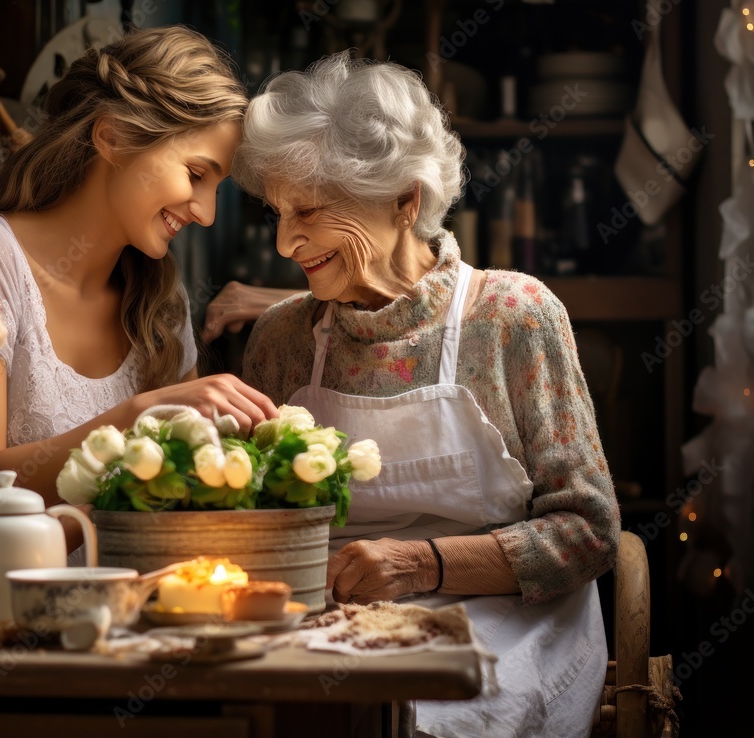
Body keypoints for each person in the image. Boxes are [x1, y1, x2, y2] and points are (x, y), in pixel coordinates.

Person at [230, 53, 620, 737]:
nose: (287, 240)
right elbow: (254, 529)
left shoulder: (513, 316)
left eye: (310, 211)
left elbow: (587, 534)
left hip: (506, 626)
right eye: (277, 212)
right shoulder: (281, 338)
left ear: (405, 201)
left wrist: (419, 565)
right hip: (330, 629)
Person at [0, 26, 276, 536]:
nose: (206, 213)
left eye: (217, 188)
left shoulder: (161, 303)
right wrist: (137, 415)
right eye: (196, 175)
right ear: (111, 136)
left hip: (128, 608)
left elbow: (179, 505)